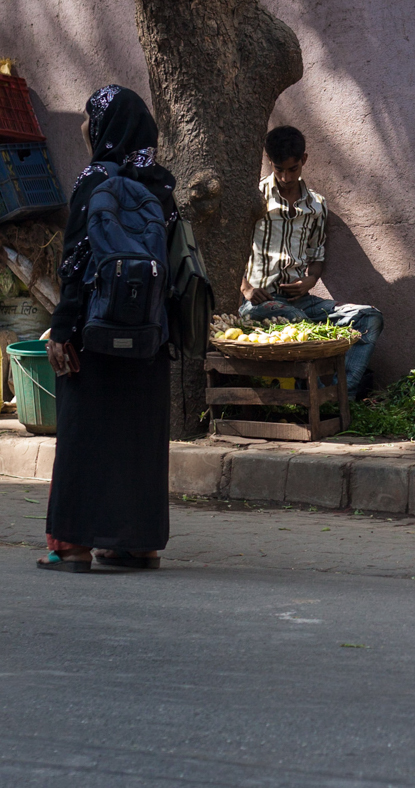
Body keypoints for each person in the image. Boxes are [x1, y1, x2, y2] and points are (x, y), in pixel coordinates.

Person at [39, 85, 176, 572]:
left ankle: (71, 544)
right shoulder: (161, 184)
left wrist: (61, 330)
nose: (82, 126)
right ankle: (137, 543)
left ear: (104, 126)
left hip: (94, 336)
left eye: (88, 117)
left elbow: (76, 264)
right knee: (138, 437)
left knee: (83, 434)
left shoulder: (94, 181)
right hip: (149, 338)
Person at [240, 125, 383, 397]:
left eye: (292, 169)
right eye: (279, 169)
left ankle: (340, 396)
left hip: (301, 302)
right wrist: (246, 288)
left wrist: (310, 280)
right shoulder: (255, 197)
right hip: (259, 304)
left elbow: (317, 256)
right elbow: (231, 252)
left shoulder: (316, 205)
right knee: (297, 321)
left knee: (369, 318)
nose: (285, 176)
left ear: (303, 160)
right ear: (270, 162)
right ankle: (318, 398)